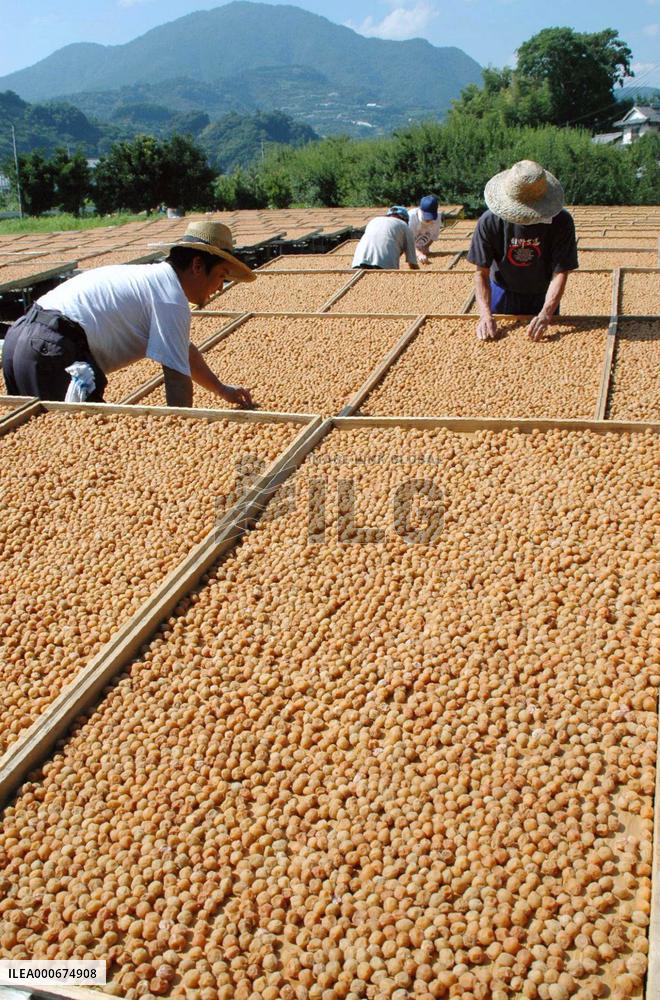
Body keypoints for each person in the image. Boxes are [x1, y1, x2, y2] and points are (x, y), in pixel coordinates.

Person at [2, 221, 255, 408]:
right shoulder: (170, 297)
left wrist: (222, 390)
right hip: (49, 349)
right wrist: (181, 438)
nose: (221, 287)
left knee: (39, 431)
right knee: (68, 441)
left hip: (20, 340)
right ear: (198, 266)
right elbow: (177, 381)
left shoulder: (154, 281)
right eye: (221, 275)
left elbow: (183, 352)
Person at [467, 160, 578, 342]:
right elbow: (481, 273)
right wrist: (485, 315)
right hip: (503, 291)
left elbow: (560, 272)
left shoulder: (561, 222)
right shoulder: (489, 222)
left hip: (543, 293)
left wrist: (546, 313)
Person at [351, 207, 419, 271]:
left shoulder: (373, 221)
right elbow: (412, 263)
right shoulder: (404, 226)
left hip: (358, 261)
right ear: (406, 220)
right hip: (385, 264)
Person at [408, 195, 443, 265]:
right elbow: (406, 242)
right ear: (420, 209)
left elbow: (433, 236)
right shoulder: (410, 217)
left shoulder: (437, 218)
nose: (429, 220)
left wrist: (426, 246)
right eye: (427, 216)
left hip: (422, 245)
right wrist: (418, 254)